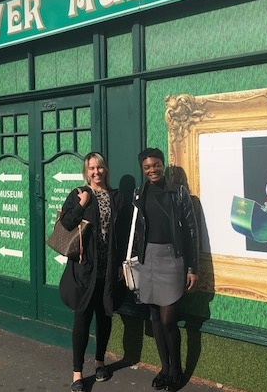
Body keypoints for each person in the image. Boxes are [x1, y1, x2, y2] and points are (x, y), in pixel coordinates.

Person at [58, 152, 128, 392]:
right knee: (82, 318)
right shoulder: (79, 193)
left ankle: (100, 362)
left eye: (99, 167)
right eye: (91, 169)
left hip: (108, 269)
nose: (96, 172)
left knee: (104, 315)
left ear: (105, 169)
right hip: (85, 268)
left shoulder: (115, 196)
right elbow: (66, 223)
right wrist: (82, 203)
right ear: (86, 172)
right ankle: (77, 373)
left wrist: (119, 263)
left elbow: (121, 234)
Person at [132, 147, 199, 392]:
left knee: (169, 319)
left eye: (156, 165)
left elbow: (192, 232)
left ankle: (176, 370)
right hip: (148, 258)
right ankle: (164, 367)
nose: (153, 170)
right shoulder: (139, 192)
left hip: (172, 259)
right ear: (143, 169)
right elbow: (136, 230)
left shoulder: (179, 193)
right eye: (148, 167)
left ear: (163, 165)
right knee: (155, 318)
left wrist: (192, 267)